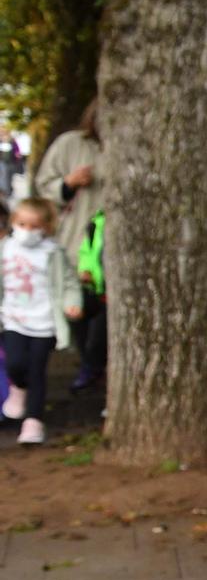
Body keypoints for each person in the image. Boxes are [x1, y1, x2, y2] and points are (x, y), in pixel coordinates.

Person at [30, 100, 109, 389]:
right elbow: (43, 186)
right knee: (75, 301)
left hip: (111, 242)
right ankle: (88, 359)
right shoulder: (69, 144)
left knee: (107, 304)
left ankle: (94, 363)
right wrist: (69, 183)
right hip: (75, 236)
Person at [2, 197, 84, 446]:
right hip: (13, 319)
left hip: (45, 322)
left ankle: (33, 421)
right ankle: (18, 389)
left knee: (37, 370)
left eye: (33, 226)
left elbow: (69, 283)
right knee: (16, 363)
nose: (27, 231)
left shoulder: (53, 253)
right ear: (14, 222)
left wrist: (73, 303)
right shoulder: (6, 248)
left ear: (46, 228)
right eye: (22, 224)